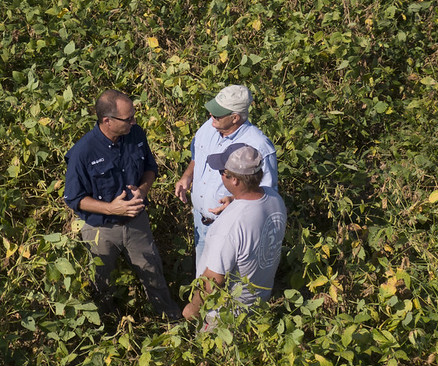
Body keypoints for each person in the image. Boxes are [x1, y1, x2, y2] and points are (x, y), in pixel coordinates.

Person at [64, 90, 182, 322]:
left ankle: (171, 322)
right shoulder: (83, 152)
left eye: (134, 117)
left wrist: (143, 190)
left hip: (136, 221)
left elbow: (150, 168)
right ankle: (106, 328)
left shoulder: (135, 134)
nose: (134, 122)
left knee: (153, 274)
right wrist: (111, 209)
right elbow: (74, 198)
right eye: (128, 119)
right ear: (107, 121)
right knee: (101, 282)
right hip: (100, 230)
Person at [174, 85, 277, 276]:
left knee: (227, 287)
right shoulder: (208, 127)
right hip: (200, 222)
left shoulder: (258, 146)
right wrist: (187, 177)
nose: (212, 117)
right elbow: (198, 156)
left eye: (218, 115)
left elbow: (266, 196)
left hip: (230, 230)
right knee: (203, 282)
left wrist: (236, 201)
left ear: (235, 117)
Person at [182, 144, 287, 325]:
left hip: (226, 316)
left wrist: (192, 309)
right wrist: (235, 200)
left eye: (223, 172)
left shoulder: (229, 226)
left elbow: (213, 280)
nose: (220, 175)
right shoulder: (274, 198)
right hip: (259, 305)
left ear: (235, 180)